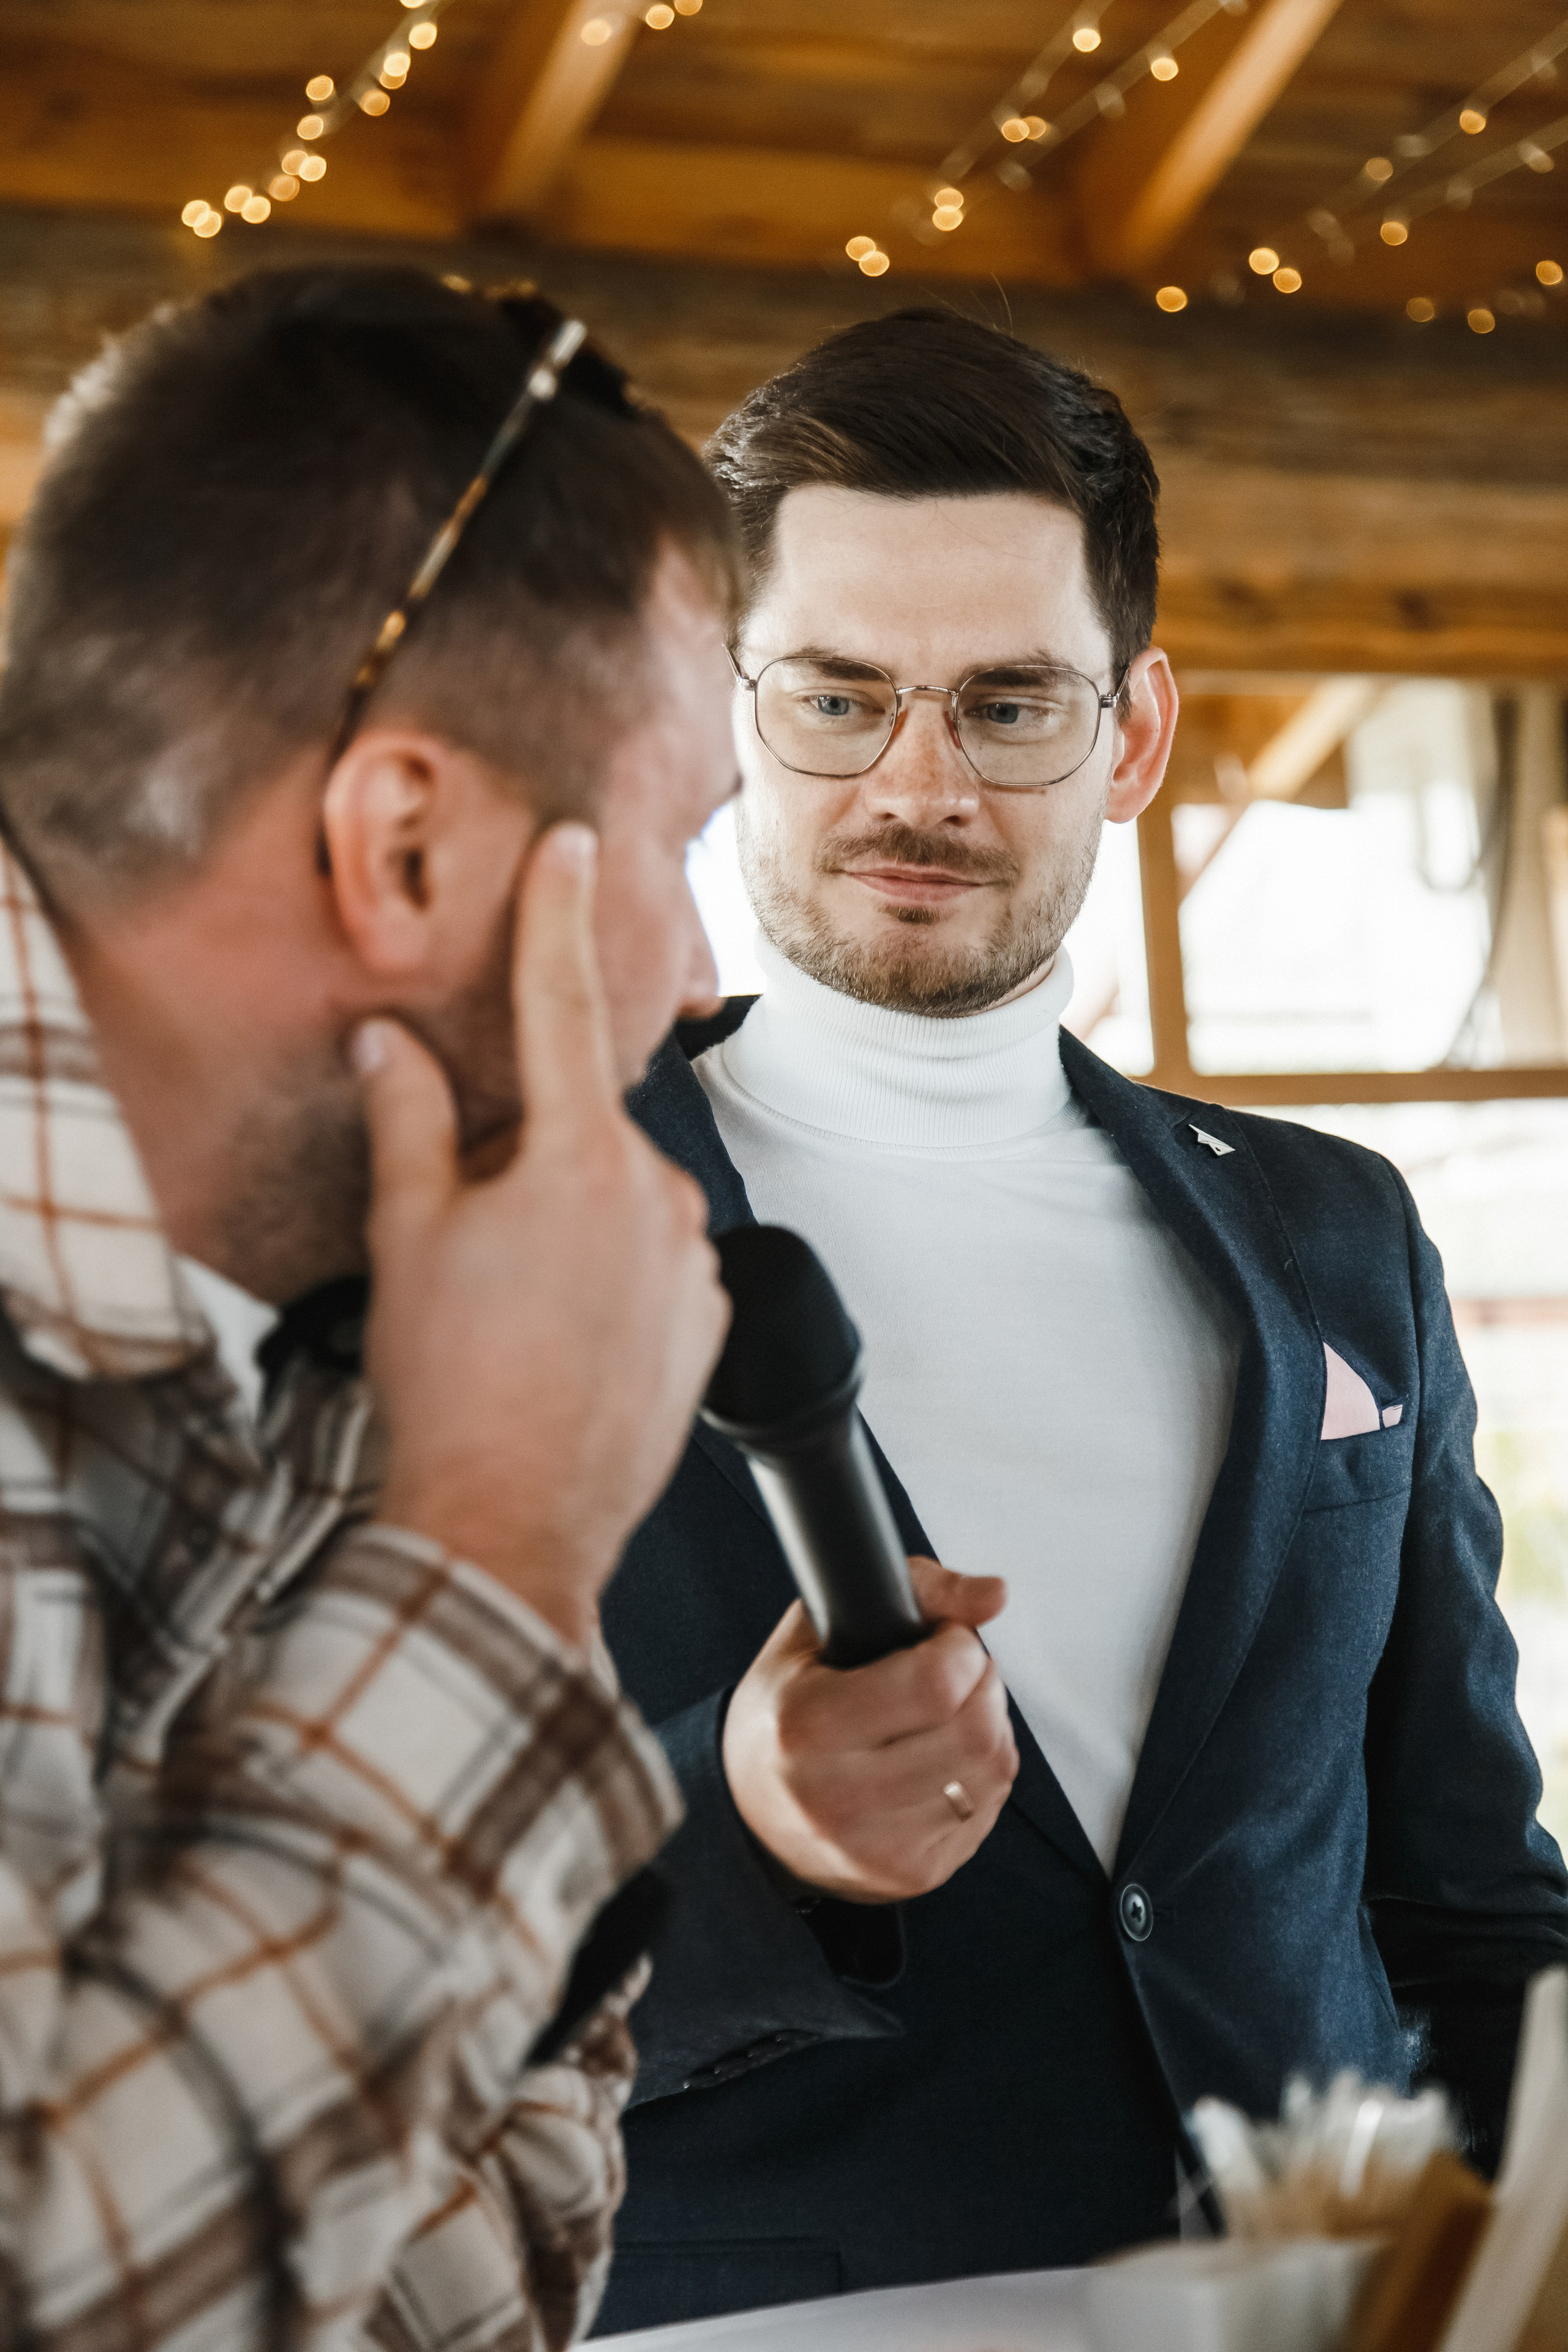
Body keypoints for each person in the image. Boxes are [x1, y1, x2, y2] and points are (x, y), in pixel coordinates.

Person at [594, 308, 1568, 2332]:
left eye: (1011, 702)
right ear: (715, 712)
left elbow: (1468, 1896)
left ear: (1130, 735)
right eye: (837, 698)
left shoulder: (1337, 1234)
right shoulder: (477, 1226)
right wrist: (742, 1823)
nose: (920, 783)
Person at [0, 266, 742, 2351]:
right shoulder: (468, 1469)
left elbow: (465, 2285)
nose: (701, 979)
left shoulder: (343, 1344)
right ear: (405, 846)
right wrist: (495, 1550)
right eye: (684, 841)